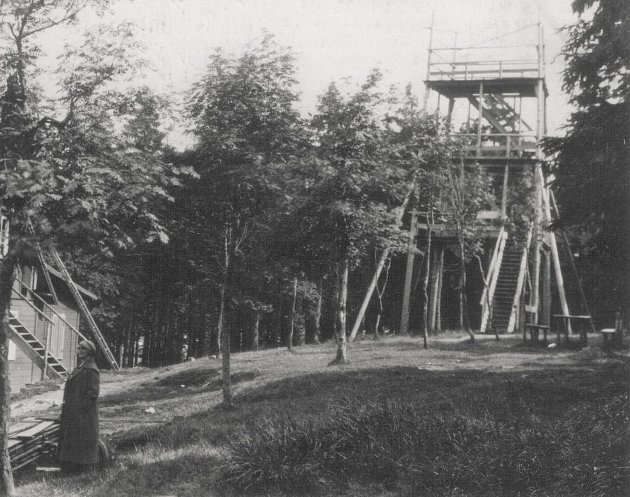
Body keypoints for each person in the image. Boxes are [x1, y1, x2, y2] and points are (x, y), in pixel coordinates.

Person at [57, 339, 100, 473]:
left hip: (84, 414)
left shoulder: (91, 369)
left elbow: (93, 394)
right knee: (73, 439)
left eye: (84, 349)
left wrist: (80, 409)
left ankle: (83, 469)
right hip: (73, 411)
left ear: (90, 352)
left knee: (81, 440)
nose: (80, 351)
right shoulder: (80, 367)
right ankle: (71, 467)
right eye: (79, 348)